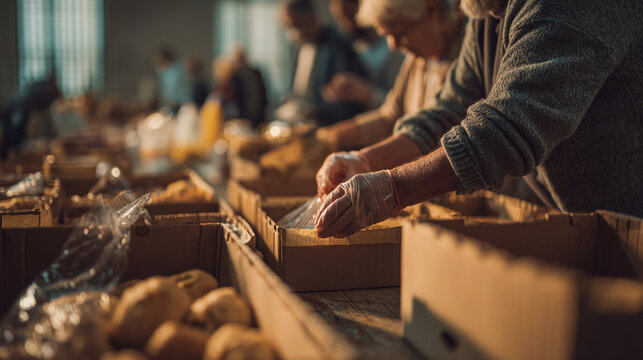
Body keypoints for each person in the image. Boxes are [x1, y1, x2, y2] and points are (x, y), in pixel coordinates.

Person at [314, 0, 643, 238]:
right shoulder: (484, 11)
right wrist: (363, 160)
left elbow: (508, 126)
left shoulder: (572, 8)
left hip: (629, 231)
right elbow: (451, 108)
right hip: (577, 226)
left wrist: (393, 189)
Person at [317, 0, 465, 152]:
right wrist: (327, 137)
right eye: (387, 35)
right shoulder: (417, 60)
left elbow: (438, 139)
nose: (393, 45)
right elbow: (388, 119)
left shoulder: (466, 60)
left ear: (432, 10)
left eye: (400, 33)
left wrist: (364, 160)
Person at [276, 0, 368, 126]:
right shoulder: (299, 47)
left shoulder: (338, 46)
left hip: (330, 127)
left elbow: (345, 100)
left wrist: (315, 112)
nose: (294, 32)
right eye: (288, 26)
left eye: (297, 24)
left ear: (311, 17)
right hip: (298, 123)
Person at [322, 0, 405, 110]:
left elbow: (402, 107)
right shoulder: (349, 48)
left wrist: (366, 95)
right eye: (340, 19)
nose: (345, 26)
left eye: (349, 16)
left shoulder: (396, 49)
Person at [229, 45, 268, 128]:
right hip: (243, 118)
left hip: (256, 118)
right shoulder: (235, 76)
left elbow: (260, 97)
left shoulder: (254, 74)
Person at [154, 47, 190, 112]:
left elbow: (173, 93)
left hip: (180, 105)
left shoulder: (176, 71)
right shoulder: (164, 73)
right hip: (171, 105)